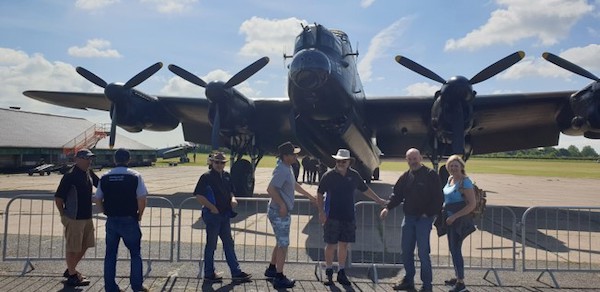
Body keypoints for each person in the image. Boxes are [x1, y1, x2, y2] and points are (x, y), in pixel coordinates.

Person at [317, 149, 387, 286]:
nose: (341, 163)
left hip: (348, 215)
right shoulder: (328, 175)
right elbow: (319, 193)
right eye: (338, 161)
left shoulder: (354, 176)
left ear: (349, 162)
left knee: (344, 245)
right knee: (330, 245)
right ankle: (329, 272)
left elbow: (364, 189)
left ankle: (342, 271)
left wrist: (378, 200)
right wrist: (321, 212)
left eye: (343, 161)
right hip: (331, 216)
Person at [379, 148, 443, 292]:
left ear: (420, 158)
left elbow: (438, 198)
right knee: (406, 251)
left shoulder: (431, 175)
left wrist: (428, 214)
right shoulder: (406, 176)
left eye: (415, 158)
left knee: (423, 253)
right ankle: (409, 280)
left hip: (423, 220)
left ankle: (427, 286)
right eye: (409, 159)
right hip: (408, 219)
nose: (412, 161)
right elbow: (397, 195)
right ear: (406, 160)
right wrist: (387, 208)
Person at [94, 148, 149, 292]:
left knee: (110, 254)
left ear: (114, 160)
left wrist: (103, 211)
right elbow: (142, 198)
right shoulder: (135, 176)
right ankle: (137, 286)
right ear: (129, 160)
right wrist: (140, 214)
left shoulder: (105, 177)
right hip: (129, 218)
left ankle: (110, 287)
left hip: (112, 220)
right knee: (135, 254)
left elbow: (97, 198)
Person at [193, 152, 252, 283]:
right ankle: (209, 273)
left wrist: (233, 199)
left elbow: (231, 191)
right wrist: (211, 207)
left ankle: (236, 272)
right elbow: (199, 195)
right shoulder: (205, 177)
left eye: (222, 163)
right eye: (217, 162)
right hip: (213, 216)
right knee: (211, 245)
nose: (219, 165)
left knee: (229, 244)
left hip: (224, 215)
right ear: (212, 163)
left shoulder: (226, 176)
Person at [264, 141, 316, 289]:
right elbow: (270, 189)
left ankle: (272, 269)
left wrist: (309, 196)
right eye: (293, 154)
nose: (296, 156)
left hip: (280, 210)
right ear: (286, 156)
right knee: (283, 244)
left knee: (280, 242)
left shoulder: (287, 167)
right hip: (279, 212)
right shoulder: (282, 169)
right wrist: (281, 204)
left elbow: (294, 185)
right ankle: (279, 277)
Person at [54, 148, 98, 286]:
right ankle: (73, 275)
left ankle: (70, 270)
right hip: (73, 218)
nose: (89, 161)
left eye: (90, 158)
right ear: (77, 159)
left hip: (87, 217)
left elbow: (101, 184)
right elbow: (58, 198)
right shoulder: (70, 175)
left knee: (85, 245)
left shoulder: (89, 173)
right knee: (73, 247)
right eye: (86, 158)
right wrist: (63, 215)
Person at [441, 155, 476, 292]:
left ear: (461, 167)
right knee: (453, 249)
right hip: (450, 218)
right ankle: (458, 276)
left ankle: (461, 283)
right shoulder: (450, 179)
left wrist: (455, 216)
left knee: (456, 249)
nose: (453, 168)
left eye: (456, 165)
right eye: (451, 165)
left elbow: (472, 204)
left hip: (459, 220)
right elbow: (448, 196)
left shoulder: (465, 182)